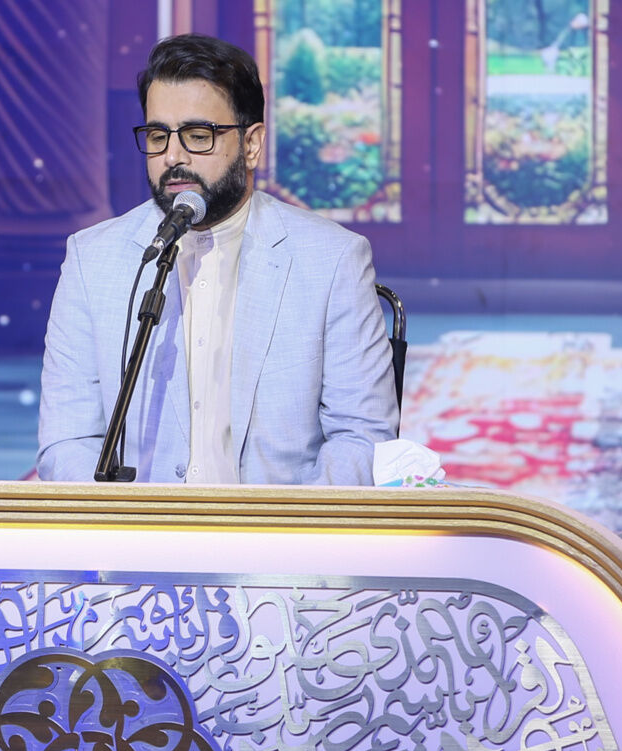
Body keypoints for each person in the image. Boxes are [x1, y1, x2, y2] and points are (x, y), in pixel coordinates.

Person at [36, 33, 398, 485]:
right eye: (158, 135)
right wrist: (126, 522)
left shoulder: (332, 260)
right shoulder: (92, 260)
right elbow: (67, 440)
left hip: (278, 525)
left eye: (197, 135)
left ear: (252, 144)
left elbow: (361, 437)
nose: (172, 157)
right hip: (138, 527)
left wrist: (287, 527)